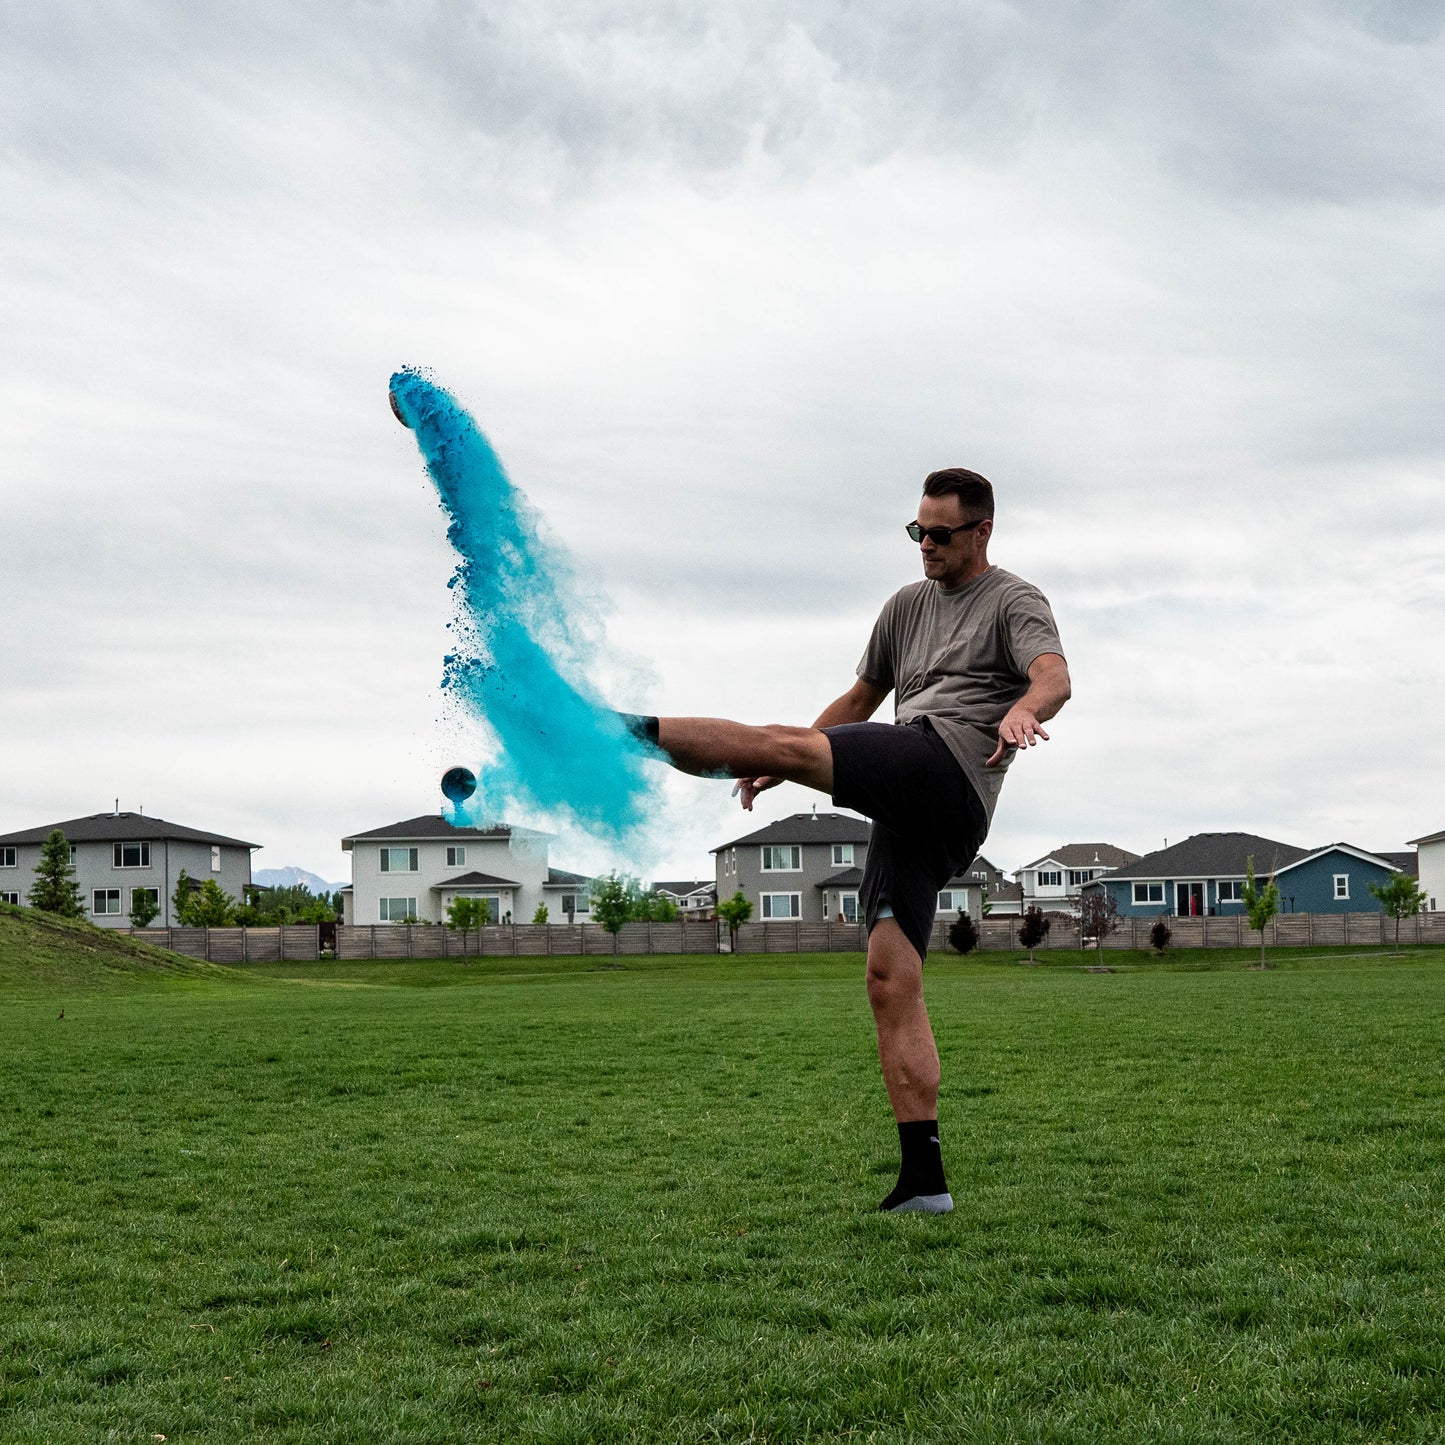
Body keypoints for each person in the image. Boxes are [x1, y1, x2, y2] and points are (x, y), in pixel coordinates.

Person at [624, 468, 1069, 1212]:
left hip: (949, 768)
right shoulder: (903, 606)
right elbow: (861, 701)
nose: (924, 544)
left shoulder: (1013, 600)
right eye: (915, 530)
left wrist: (1024, 708)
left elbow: (1053, 675)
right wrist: (788, 759)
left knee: (779, 741)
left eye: (940, 533)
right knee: (888, 977)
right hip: (909, 803)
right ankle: (922, 1182)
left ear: (981, 531)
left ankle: (616, 731)